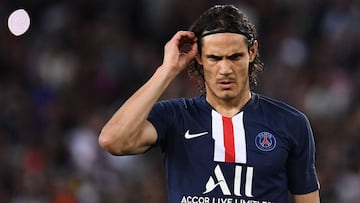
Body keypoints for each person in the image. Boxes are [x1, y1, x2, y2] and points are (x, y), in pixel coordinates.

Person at [98, 4, 320, 203]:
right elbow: (112, 140)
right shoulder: (176, 117)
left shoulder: (290, 123)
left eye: (234, 57)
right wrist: (167, 70)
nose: (225, 70)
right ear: (200, 58)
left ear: (251, 52)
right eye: (215, 58)